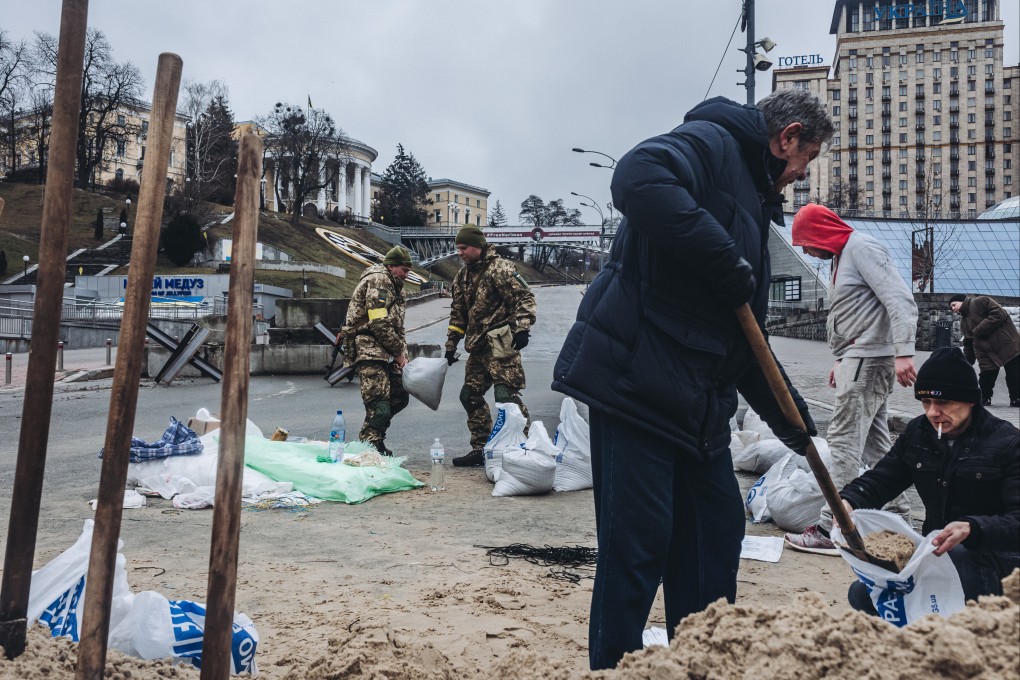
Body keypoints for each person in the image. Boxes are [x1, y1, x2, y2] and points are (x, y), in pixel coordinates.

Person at [552, 89, 833, 670]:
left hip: (697, 403)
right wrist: (718, 255)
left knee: (714, 534)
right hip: (635, 385)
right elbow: (636, 176)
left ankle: (703, 662)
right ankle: (616, 667)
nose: (801, 175)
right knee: (637, 548)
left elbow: (743, 338)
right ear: (788, 137)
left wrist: (796, 426)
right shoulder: (711, 143)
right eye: (808, 158)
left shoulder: (754, 199)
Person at [840, 347, 1019, 612]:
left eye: (943, 403)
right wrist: (849, 500)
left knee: (959, 552)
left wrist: (973, 528)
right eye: (926, 403)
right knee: (863, 595)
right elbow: (884, 477)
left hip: (997, 561)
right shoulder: (919, 433)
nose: (933, 412)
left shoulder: (1007, 443)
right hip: (937, 555)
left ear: (970, 401)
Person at [784, 203, 918, 556]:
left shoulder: (862, 248)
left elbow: (900, 299)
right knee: (876, 444)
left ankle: (834, 527)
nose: (806, 251)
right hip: (861, 359)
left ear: (821, 233)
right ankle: (898, 513)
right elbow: (857, 313)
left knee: (843, 440)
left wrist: (905, 351)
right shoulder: (843, 256)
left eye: (807, 243)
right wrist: (843, 359)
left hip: (871, 359)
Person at [445, 225, 537, 467]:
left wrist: (524, 327)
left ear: (478, 246)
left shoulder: (501, 269)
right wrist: (451, 344)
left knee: (506, 396)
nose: (460, 253)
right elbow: (458, 314)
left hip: (501, 343)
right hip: (477, 347)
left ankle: (523, 446)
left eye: (464, 248)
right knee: (469, 395)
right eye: (458, 248)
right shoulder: (462, 276)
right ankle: (481, 448)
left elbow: (524, 298)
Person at [343, 246, 412, 455]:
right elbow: (378, 321)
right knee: (379, 402)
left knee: (399, 396)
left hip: (384, 350)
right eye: (404, 270)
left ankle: (375, 437)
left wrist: (403, 352)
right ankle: (370, 444)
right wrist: (399, 351)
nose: (407, 275)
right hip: (368, 348)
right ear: (391, 266)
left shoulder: (394, 285)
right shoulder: (380, 281)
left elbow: (397, 325)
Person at [949, 293, 1020, 408]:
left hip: (1006, 345)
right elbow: (968, 344)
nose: (952, 309)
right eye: (951, 308)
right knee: (986, 377)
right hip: (986, 353)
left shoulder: (981, 301)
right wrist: (966, 363)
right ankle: (985, 398)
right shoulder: (964, 322)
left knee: (1014, 374)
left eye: (953, 305)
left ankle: (1015, 399)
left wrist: (978, 330)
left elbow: (999, 313)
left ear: (962, 300)